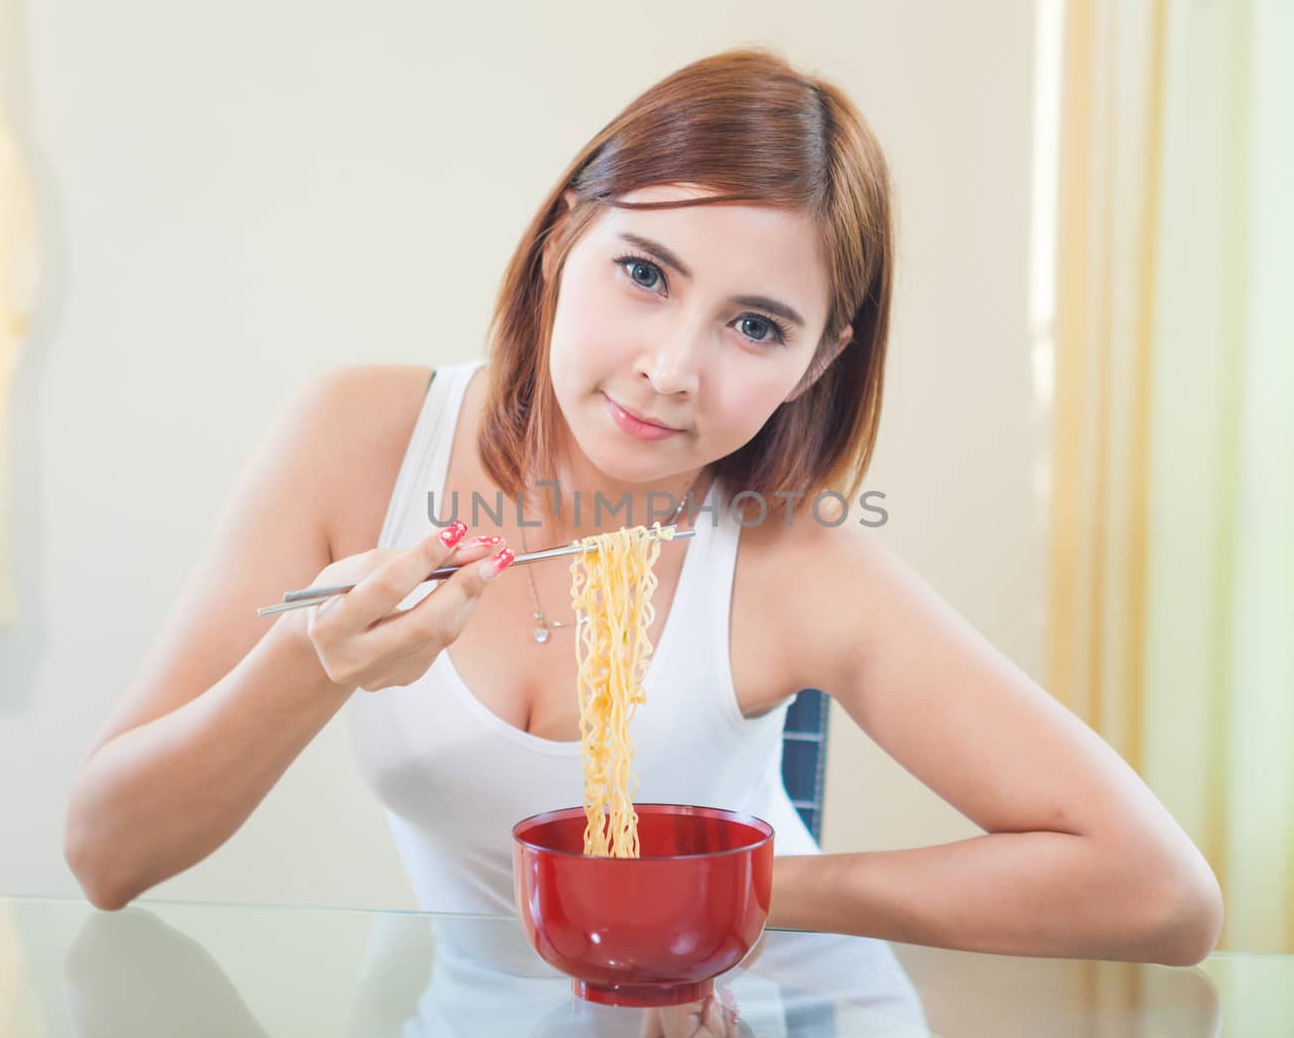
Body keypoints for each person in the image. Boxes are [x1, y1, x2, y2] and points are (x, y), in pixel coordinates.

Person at [62, 47, 1223, 966]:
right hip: (459, 1006)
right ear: (568, 231)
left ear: (817, 363)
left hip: (746, 1005)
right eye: (645, 272)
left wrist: (733, 898)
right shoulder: (360, 438)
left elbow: (1159, 891)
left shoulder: (792, 563)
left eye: (755, 324)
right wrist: (313, 659)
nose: (671, 367)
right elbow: (107, 856)